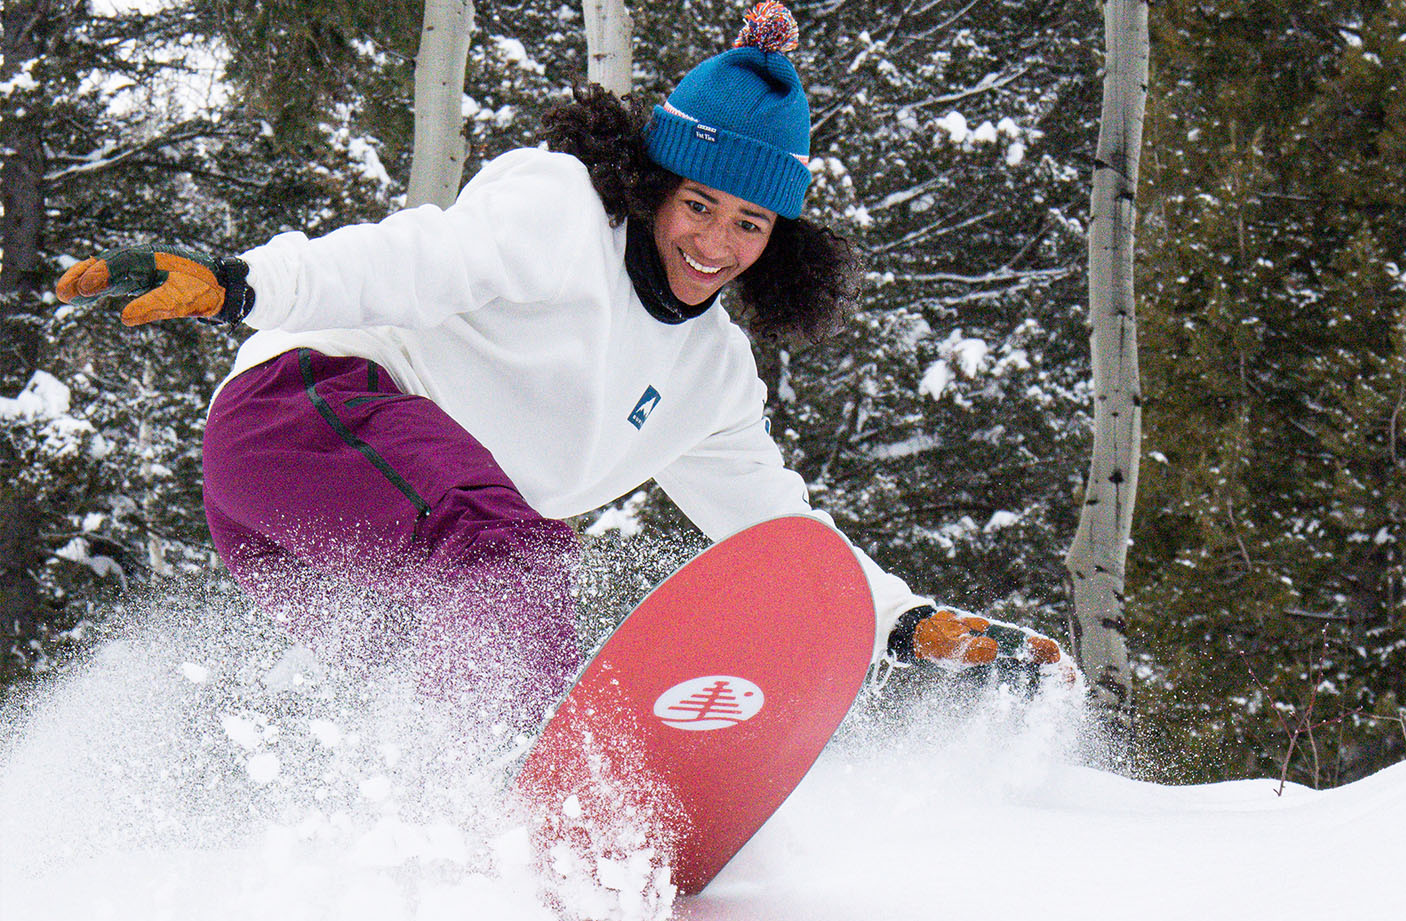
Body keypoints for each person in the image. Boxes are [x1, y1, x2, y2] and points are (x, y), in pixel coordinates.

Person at [55, 2, 1068, 732]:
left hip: (329, 543)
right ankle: (529, 784)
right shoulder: (558, 212)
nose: (714, 243)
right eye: (698, 205)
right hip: (303, 414)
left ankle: (434, 861)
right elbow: (410, 261)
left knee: (414, 712)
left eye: (749, 222)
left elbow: (776, 523)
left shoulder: (713, 376)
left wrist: (898, 620)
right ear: (654, 182)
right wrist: (242, 285)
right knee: (512, 555)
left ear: (782, 241)